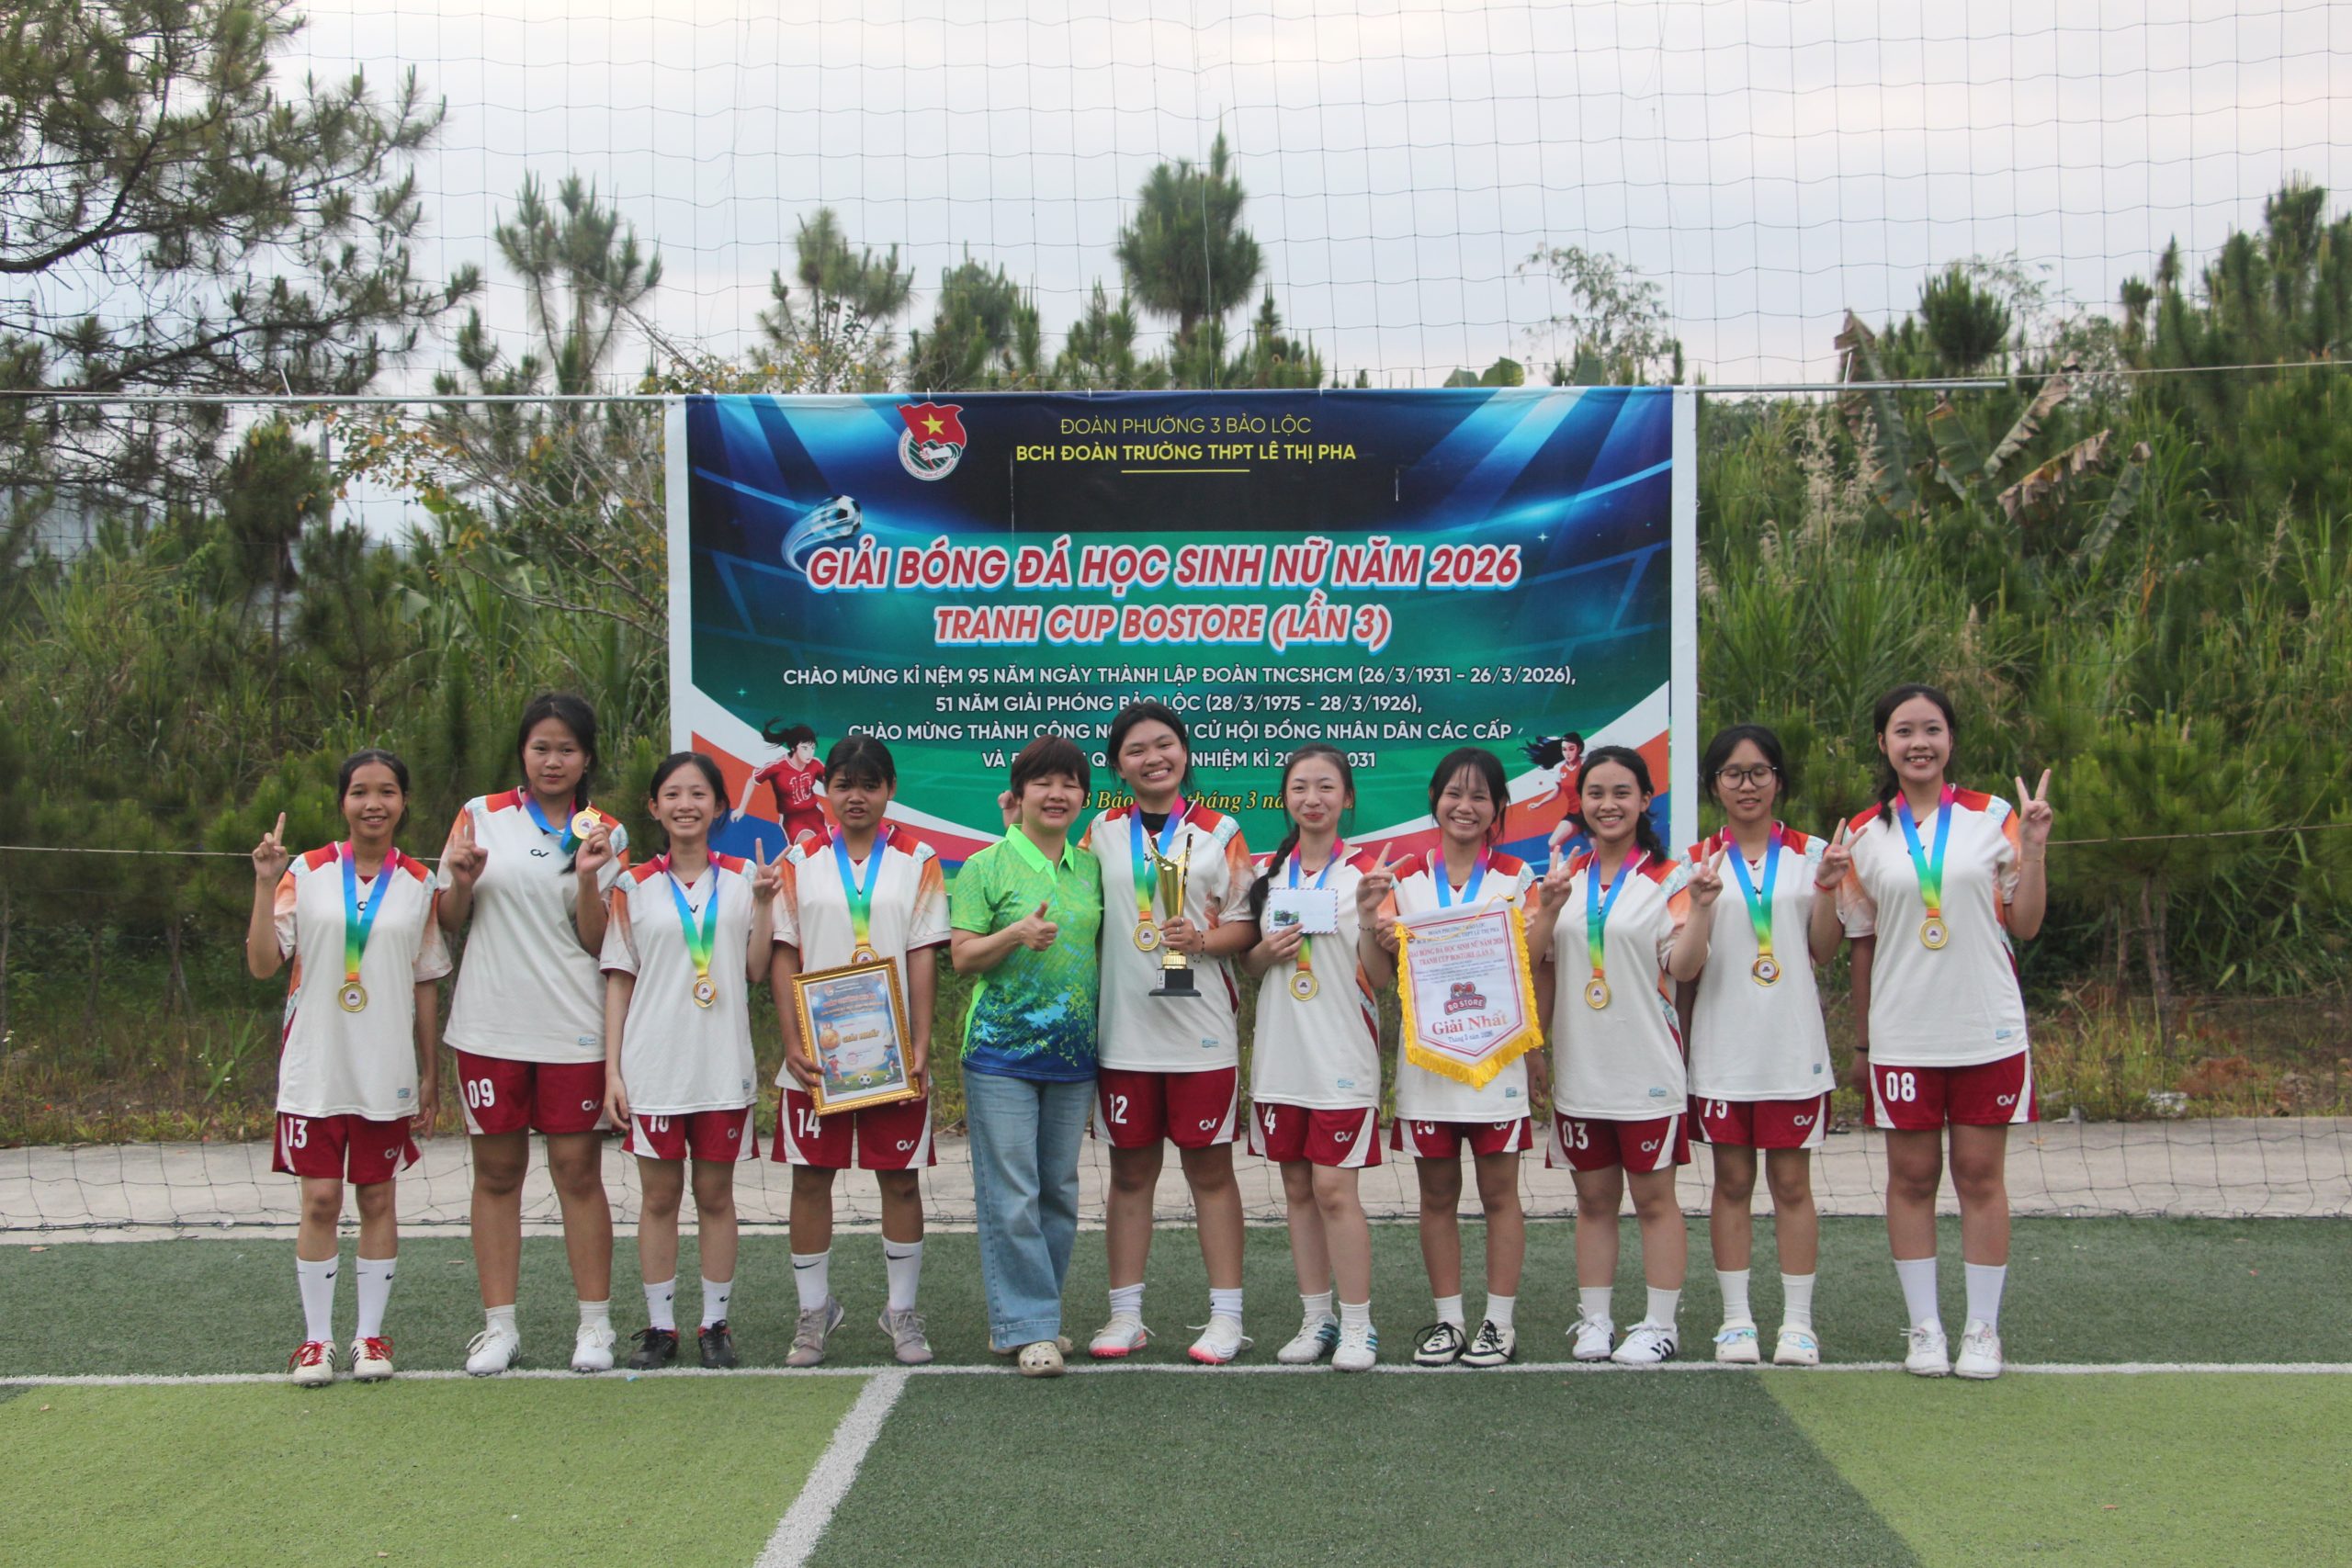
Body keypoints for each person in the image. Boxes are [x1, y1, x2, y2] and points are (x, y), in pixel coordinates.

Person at [1836, 684, 2052, 1381]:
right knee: (1912, 1177)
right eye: (1904, 731)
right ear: (1883, 743)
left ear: (1951, 739)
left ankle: (1983, 1329)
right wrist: (1864, 1042)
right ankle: (1925, 1327)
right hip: (1903, 1034)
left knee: (1980, 1177)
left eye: (1931, 729)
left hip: (1986, 1028)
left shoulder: (1994, 816)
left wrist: (2035, 850)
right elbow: (1861, 945)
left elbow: (2026, 924)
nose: (1918, 743)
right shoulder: (1863, 834)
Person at [436, 694, 629, 1376]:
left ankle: (596, 1325)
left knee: (577, 1172)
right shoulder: (479, 814)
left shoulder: (606, 832)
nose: (553, 760)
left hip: (574, 1026)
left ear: (586, 757)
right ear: (523, 751)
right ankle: (499, 1328)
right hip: (489, 1026)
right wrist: (461, 882)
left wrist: (588, 880)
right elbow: (449, 918)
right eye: (541, 747)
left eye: (566, 749)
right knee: (496, 1174)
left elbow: (600, 940)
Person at [245, 750, 449, 1386]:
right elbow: (262, 964)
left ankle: (370, 1337)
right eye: (360, 791)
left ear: (403, 802)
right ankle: (316, 1341)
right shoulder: (303, 871)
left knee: (378, 1197)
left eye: (387, 791)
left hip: (384, 1069)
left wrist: (430, 1071)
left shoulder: (420, 882)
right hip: (316, 1067)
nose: (373, 803)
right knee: (321, 1200)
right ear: (343, 802)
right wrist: (263, 882)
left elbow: (425, 982)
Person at [1525, 746, 1721, 1365]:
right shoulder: (1563, 878)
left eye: (1621, 793)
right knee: (1593, 1201)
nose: (1607, 804)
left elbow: (1683, 967)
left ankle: (1660, 1325)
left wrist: (1704, 909)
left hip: (1647, 1070)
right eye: (1595, 793)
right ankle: (1596, 1320)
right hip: (1582, 1070)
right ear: (1579, 802)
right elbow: (1532, 961)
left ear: (1644, 800)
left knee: (1655, 1201)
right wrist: (1549, 908)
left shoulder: (1671, 879)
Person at [1082, 701, 1260, 1365]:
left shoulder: (1222, 831)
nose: (1153, 758)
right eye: (1136, 749)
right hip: (1124, 1033)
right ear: (1118, 765)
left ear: (1184, 751)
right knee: (1130, 1174)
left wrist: (1203, 939)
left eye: (1165, 744)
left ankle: (1226, 1317)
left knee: (1210, 1172)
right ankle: (1126, 1315)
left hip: (1200, 1034)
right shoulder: (1100, 831)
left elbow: (1247, 924)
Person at [770, 738, 950, 1368]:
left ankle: (901, 1310)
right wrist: (792, 1041)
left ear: (890, 789)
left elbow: (923, 953)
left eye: (870, 784)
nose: (856, 796)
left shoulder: (918, 858)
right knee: (810, 1179)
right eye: (844, 783)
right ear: (825, 790)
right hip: (820, 1055)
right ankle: (814, 1311)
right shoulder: (800, 858)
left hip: (890, 1055)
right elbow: (784, 951)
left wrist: (920, 1042)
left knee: (899, 1180)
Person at [1357, 747, 1540, 1368]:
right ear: (1434, 799)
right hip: (1427, 1066)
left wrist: (1536, 1054)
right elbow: (1376, 975)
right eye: (1454, 793)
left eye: (1480, 795)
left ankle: (1499, 1323)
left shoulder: (1518, 877)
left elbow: (1535, 964)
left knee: (1500, 1195)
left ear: (1498, 807)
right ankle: (1449, 1321)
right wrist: (1371, 923)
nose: (1466, 806)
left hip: (1497, 1060)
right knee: (1435, 1196)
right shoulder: (1404, 879)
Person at [601, 752, 781, 1371]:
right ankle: (659, 1327)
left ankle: (714, 1324)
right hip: (654, 1067)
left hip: (721, 1065)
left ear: (719, 806)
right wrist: (613, 1070)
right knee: (657, 1199)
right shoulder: (632, 885)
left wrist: (764, 904)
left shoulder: (744, 878)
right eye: (673, 794)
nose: (686, 804)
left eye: (699, 793)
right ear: (653, 806)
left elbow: (756, 969)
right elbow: (619, 979)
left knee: (715, 1195)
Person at [1681, 725, 1844, 1367]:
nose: (1746, 785)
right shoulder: (1695, 861)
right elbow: (1685, 965)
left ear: (1779, 779)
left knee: (1792, 1184)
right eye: (1732, 773)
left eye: (1759, 772)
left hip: (1791, 1048)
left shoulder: (1814, 854)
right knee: (1730, 1182)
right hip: (1723, 1049)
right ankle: (1736, 1320)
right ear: (1714, 785)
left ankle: (1798, 1324)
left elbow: (1824, 950)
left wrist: (1827, 887)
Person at [951, 735, 1105, 1378]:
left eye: (1069, 783)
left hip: (1073, 1055)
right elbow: (962, 956)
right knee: (1013, 1192)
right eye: (1043, 781)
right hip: (1000, 1054)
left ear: (1083, 797)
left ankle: (1032, 1317)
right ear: (1018, 794)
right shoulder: (983, 867)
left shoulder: (1091, 868)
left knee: (1059, 1192)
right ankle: (1030, 1326)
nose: (1057, 793)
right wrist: (1015, 933)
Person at [1241, 745, 1381, 1371]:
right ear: (1285, 798)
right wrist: (1264, 953)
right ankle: (1317, 1319)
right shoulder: (1267, 875)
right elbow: (1249, 967)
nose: (1313, 798)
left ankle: (1359, 1325)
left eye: (1327, 786)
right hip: (1282, 1057)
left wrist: (1372, 919)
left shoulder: (1367, 875)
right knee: (1297, 1188)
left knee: (1333, 1189)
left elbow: (1381, 976)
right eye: (1300, 786)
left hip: (1342, 1057)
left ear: (1347, 798)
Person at [742, 721, 827, 850]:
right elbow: (751, 781)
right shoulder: (777, 767)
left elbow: (832, 782)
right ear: (793, 747)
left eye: (813, 748)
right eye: (805, 748)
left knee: (827, 849)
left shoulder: (815, 764)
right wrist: (741, 809)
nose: (810, 753)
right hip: (792, 818)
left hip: (814, 814)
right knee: (808, 847)